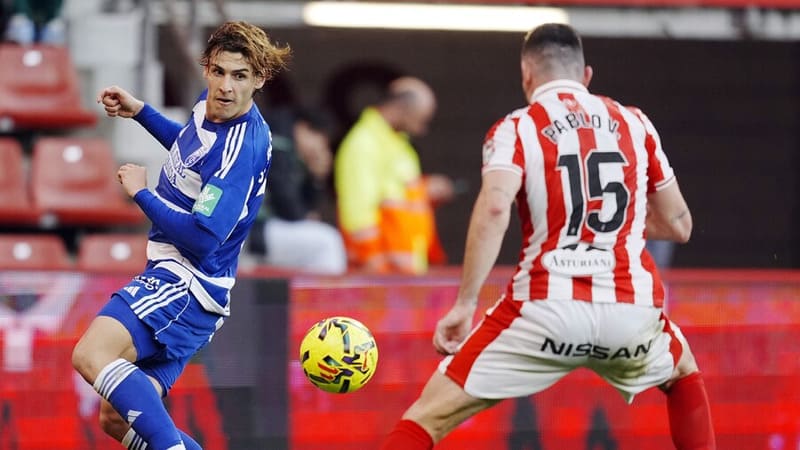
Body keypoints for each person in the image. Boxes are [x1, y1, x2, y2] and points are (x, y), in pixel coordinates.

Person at [380, 23, 715, 450]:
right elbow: (679, 225)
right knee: (683, 373)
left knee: (427, 418)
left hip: (544, 310)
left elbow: (497, 206)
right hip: (629, 311)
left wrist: (465, 303)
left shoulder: (516, 128)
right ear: (586, 75)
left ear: (526, 74)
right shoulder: (636, 123)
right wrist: (617, 222)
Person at [71, 21, 290, 450]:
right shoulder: (210, 107)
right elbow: (191, 148)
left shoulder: (240, 152)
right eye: (219, 72)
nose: (226, 86)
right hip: (188, 285)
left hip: (187, 282)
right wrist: (141, 113)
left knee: (90, 355)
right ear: (205, 68)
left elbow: (203, 239)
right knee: (117, 418)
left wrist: (141, 194)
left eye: (240, 76)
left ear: (259, 80)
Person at [334, 76, 455, 275]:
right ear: (401, 109)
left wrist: (426, 190)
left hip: (403, 272)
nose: (422, 129)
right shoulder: (364, 143)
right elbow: (358, 213)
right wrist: (374, 262)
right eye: (421, 120)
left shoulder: (400, 145)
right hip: (380, 274)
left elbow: (398, 197)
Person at [250, 106, 347, 274]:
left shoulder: (293, 151)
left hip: (267, 227)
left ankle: (314, 299)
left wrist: (316, 178)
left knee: (320, 240)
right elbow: (288, 206)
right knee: (328, 242)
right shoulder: (278, 142)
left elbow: (303, 209)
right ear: (303, 128)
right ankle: (326, 300)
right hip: (251, 229)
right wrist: (305, 216)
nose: (320, 147)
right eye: (320, 137)